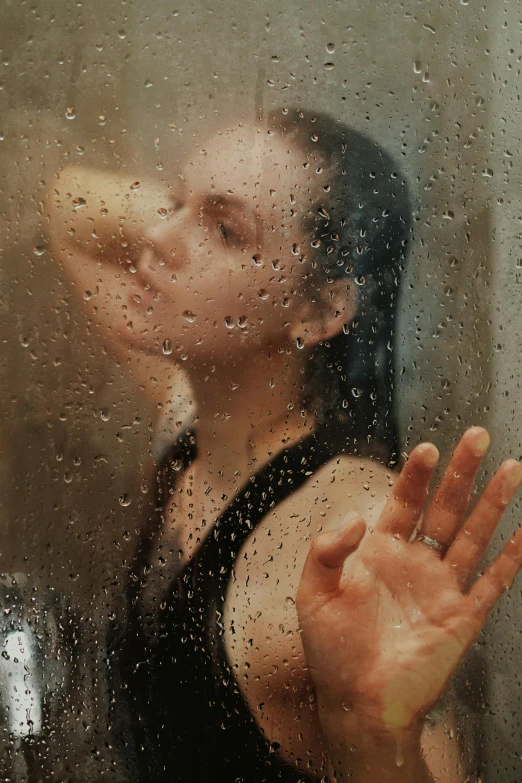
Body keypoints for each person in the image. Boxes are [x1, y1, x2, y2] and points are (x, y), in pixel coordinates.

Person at [47, 108, 522, 782]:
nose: (154, 236)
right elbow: (67, 208)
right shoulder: (193, 419)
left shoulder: (348, 532)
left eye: (224, 230)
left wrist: (372, 733)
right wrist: (205, 212)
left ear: (320, 311)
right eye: (173, 202)